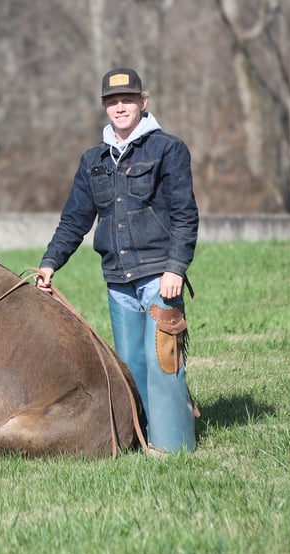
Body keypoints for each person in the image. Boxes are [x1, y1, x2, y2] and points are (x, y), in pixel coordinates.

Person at [35, 67, 199, 454]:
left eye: (127, 100)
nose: (120, 107)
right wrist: (49, 263)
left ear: (143, 103)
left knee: (163, 362)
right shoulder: (94, 160)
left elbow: (184, 214)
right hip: (118, 281)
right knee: (130, 367)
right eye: (112, 101)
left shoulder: (168, 149)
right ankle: (138, 440)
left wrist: (175, 268)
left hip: (159, 277)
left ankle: (173, 448)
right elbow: (75, 219)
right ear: (105, 107)